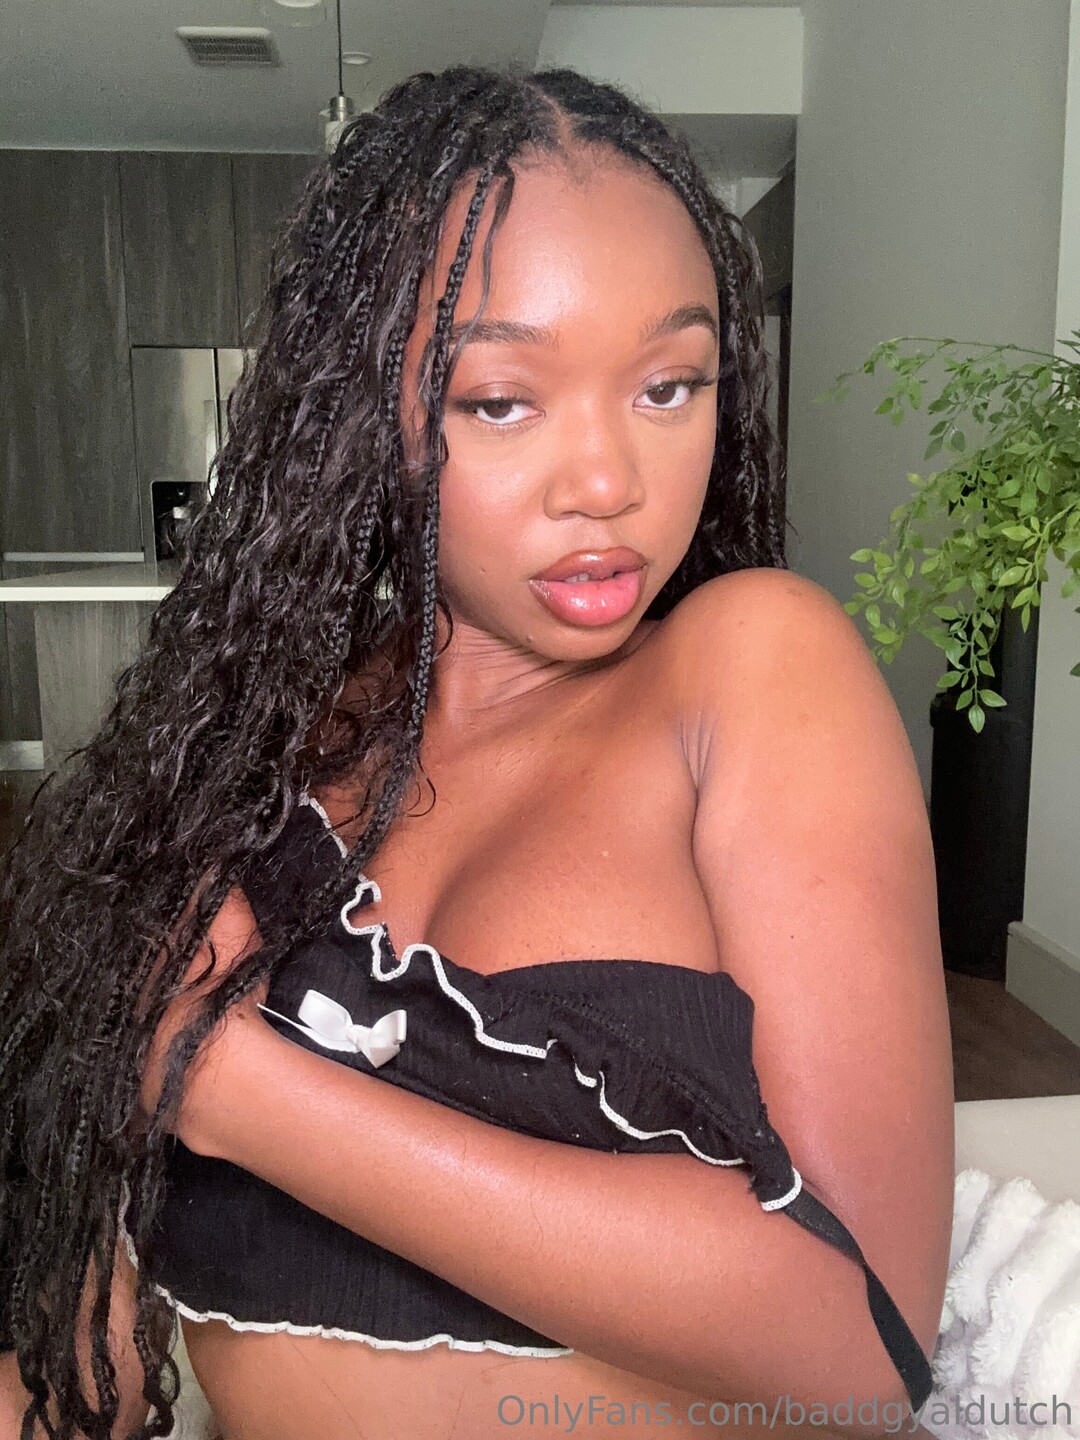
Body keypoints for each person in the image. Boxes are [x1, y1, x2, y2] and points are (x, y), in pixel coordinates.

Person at [0, 64, 954, 1440]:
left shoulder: (751, 670)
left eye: (671, 385)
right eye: (502, 401)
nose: (608, 483)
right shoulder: (274, 736)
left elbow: (862, 1348)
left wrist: (232, 1087)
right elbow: (99, 1294)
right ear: (364, 412)